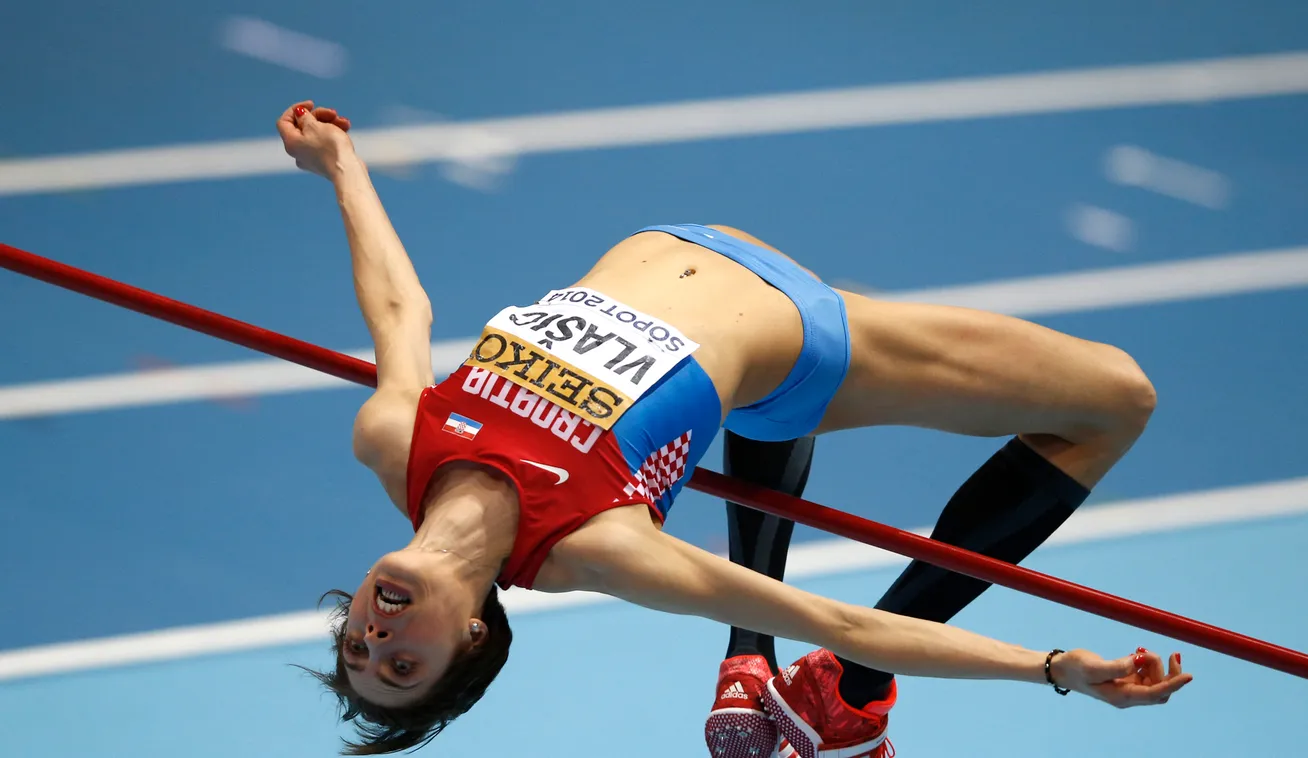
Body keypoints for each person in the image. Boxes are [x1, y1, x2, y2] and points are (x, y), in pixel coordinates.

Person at [276, 101, 1192, 757]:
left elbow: (401, 307)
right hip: (809, 338)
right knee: (1118, 398)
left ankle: (761, 674)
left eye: (356, 646)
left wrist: (342, 170)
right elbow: (834, 616)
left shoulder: (393, 441)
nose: (375, 640)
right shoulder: (592, 550)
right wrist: (1052, 668)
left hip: (689, 248)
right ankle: (839, 686)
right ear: (470, 639)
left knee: (736, 406)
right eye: (400, 668)